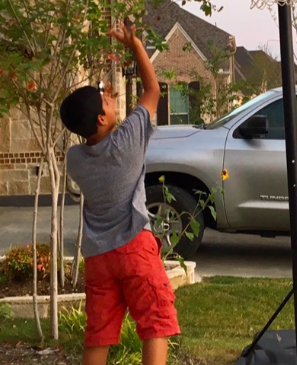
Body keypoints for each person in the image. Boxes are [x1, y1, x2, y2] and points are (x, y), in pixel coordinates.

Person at [59, 22, 179, 365]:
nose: (111, 99)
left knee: (99, 333)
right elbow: (152, 91)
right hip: (134, 248)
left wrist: (107, 109)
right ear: (100, 117)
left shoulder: (75, 159)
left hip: (98, 257)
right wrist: (136, 46)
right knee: (155, 322)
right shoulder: (127, 143)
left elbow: (100, 131)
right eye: (106, 101)